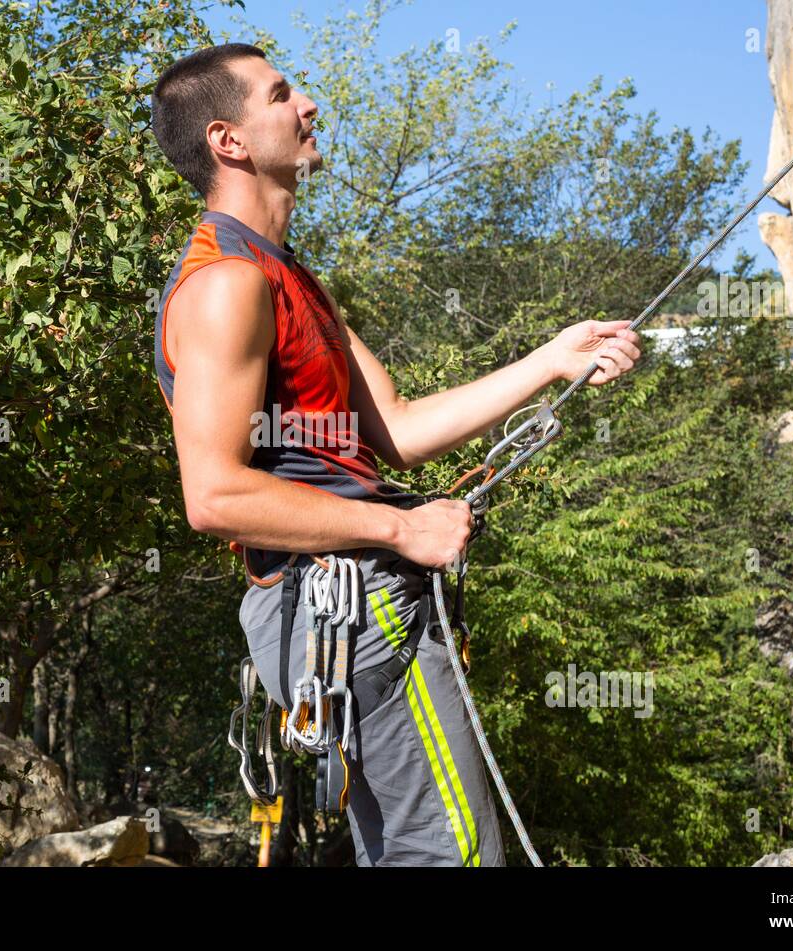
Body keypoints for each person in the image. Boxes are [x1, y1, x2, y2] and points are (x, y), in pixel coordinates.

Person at [149, 43, 641, 866]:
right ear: (229, 141)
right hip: (340, 603)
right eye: (282, 95)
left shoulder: (291, 278)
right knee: (453, 855)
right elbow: (214, 495)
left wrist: (551, 361)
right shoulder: (226, 285)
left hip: (346, 605)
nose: (308, 104)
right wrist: (399, 534)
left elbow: (399, 429)